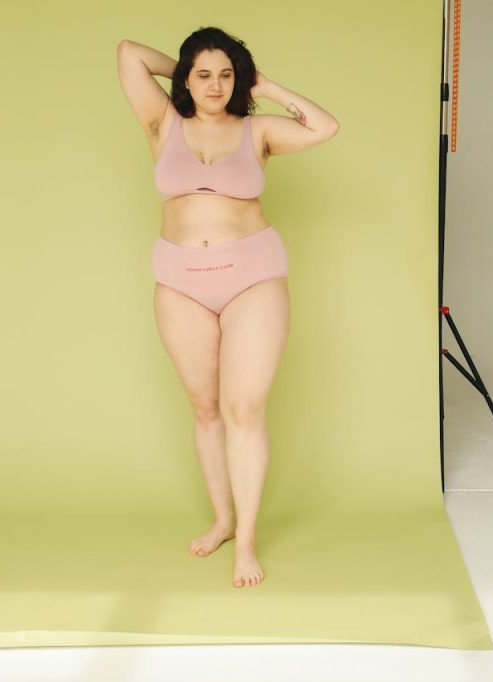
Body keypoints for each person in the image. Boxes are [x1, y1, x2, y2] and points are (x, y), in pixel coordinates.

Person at [116, 27, 339, 588]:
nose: (216, 84)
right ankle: (221, 519)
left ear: (240, 79)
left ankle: (247, 541)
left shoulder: (256, 129)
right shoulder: (164, 122)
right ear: (186, 79)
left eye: (226, 74)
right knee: (205, 407)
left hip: (252, 277)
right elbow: (129, 54)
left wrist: (270, 86)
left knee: (244, 408)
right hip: (179, 280)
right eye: (203, 74)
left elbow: (324, 127)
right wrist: (187, 70)